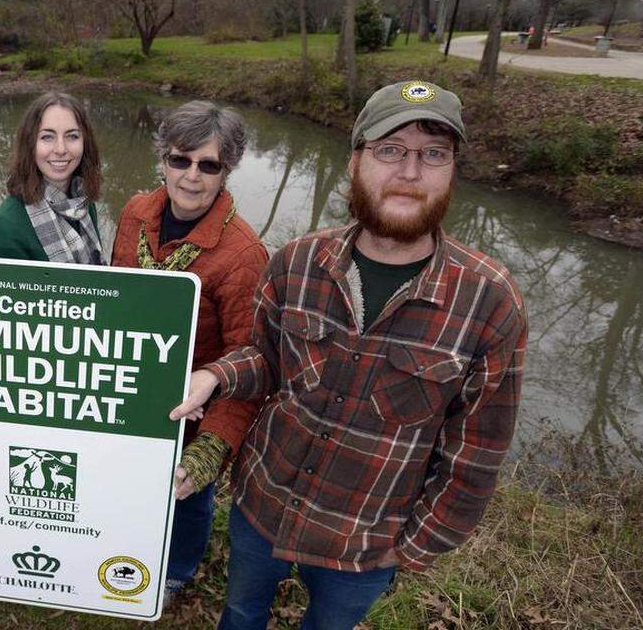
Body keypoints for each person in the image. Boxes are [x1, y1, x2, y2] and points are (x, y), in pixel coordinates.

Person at [172, 80, 528, 630]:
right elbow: (265, 359)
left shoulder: (488, 299)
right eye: (390, 150)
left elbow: (476, 456)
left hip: (364, 545)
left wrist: (410, 549)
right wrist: (215, 377)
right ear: (356, 159)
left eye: (433, 154)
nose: (410, 172)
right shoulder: (297, 261)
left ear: (453, 169)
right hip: (260, 506)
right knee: (241, 613)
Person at [110, 101, 267, 603]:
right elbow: (112, 299)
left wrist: (210, 450)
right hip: (127, 395)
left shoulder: (243, 254)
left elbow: (251, 362)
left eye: (209, 165)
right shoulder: (135, 214)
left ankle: (176, 570)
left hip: (192, 414)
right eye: (180, 160)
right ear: (163, 159)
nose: (192, 176)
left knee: (187, 501)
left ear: (227, 171)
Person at [0, 92, 104, 263]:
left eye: (72, 136)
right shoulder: (6, 226)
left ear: (85, 142)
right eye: (47, 137)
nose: (60, 149)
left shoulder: (84, 201)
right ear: (30, 144)